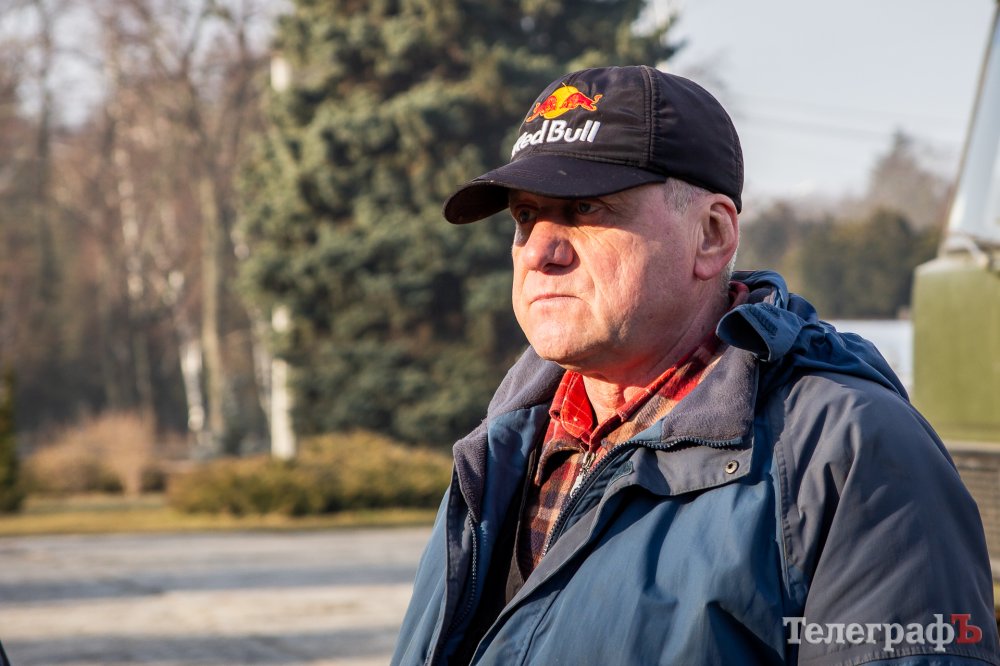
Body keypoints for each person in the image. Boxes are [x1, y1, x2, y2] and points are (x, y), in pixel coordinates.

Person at [391, 65, 1000, 665]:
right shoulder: (497, 452)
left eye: (585, 209)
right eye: (525, 216)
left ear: (711, 234)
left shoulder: (849, 451)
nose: (540, 253)